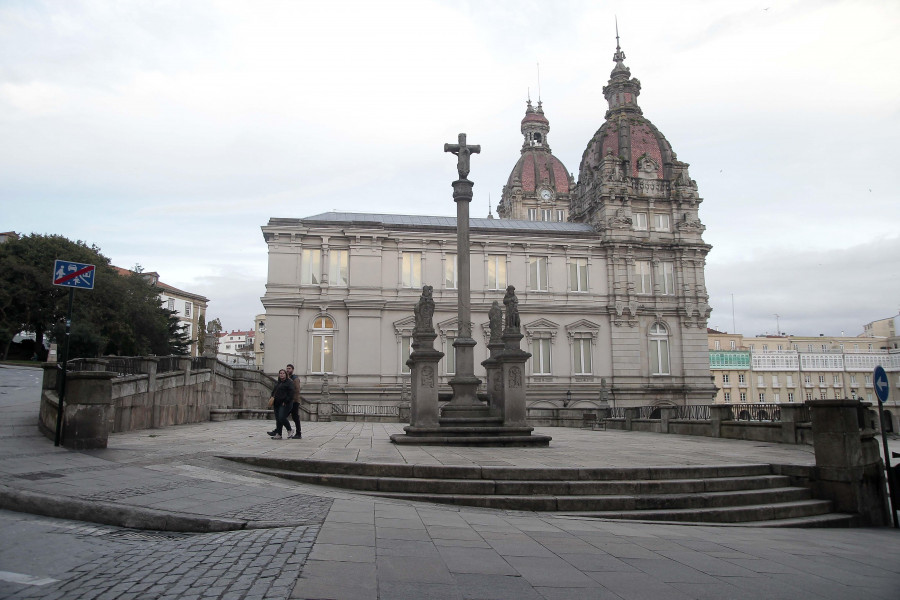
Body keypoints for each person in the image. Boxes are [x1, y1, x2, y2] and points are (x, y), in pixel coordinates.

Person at [268, 369, 295, 440]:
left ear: (286, 374)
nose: (281, 374)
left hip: (285, 403)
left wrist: (286, 401)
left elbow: (291, 393)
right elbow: (274, 392)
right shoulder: (278, 382)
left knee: (282, 417)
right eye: (280, 373)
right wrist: (271, 397)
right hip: (276, 403)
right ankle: (279, 434)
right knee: (278, 419)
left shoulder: (289, 382)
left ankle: (290, 430)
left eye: (283, 373)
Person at [285, 363, 302, 439]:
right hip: (289, 401)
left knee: (295, 417)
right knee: (282, 416)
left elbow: (297, 390)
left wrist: (293, 400)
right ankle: (278, 431)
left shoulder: (295, 378)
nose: (288, 370)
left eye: (289, 368)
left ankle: (298, 433)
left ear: (292, 370)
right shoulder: (287, 378)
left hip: (294, 401)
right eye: (287, 368)